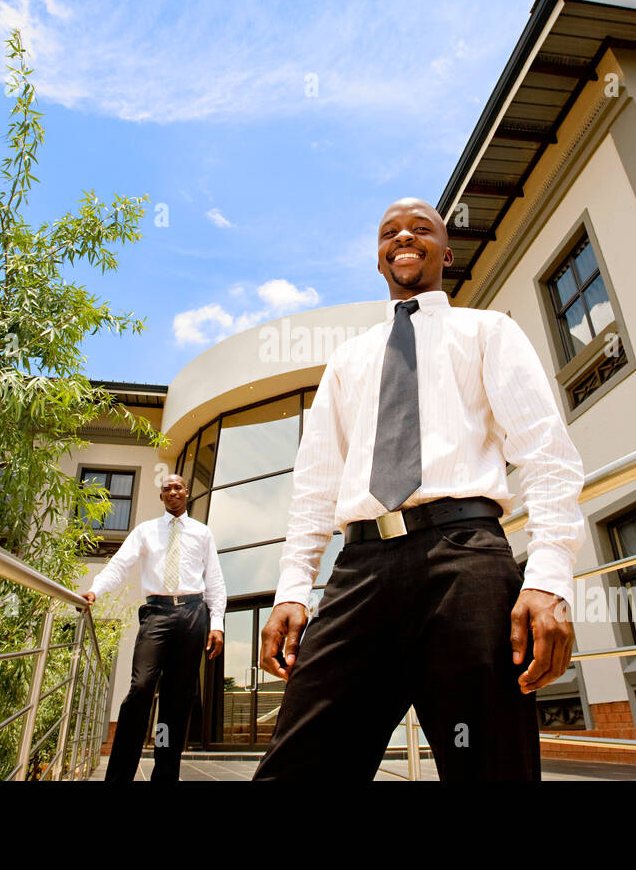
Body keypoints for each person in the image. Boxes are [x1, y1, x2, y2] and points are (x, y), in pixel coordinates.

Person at [252, 197, 587, 781]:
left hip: (466, 561)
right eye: (389, 233)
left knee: (491, 767)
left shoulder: (489, 331)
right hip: (359, 569)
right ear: (380, 259)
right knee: (296, 765)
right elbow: (314, 486)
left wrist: (551, 577)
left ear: (446, 252)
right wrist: (292, 589)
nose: (403, 237)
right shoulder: (347, 362)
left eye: (420, 229)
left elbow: (546, 454)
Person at [82, 474, 225, 781]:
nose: (172, 491)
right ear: (162, 496)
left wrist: (217, 624)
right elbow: (120, 565)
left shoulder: (202, 533)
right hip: (156, 614)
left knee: (176, 698)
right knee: (141, 687)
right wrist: (95, 589)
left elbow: (214, 581)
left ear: (186, 493)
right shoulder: (146, 531)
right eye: (166, 489)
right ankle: (119, 773)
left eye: (177, 487)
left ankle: (165, 773)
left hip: (192, 614)